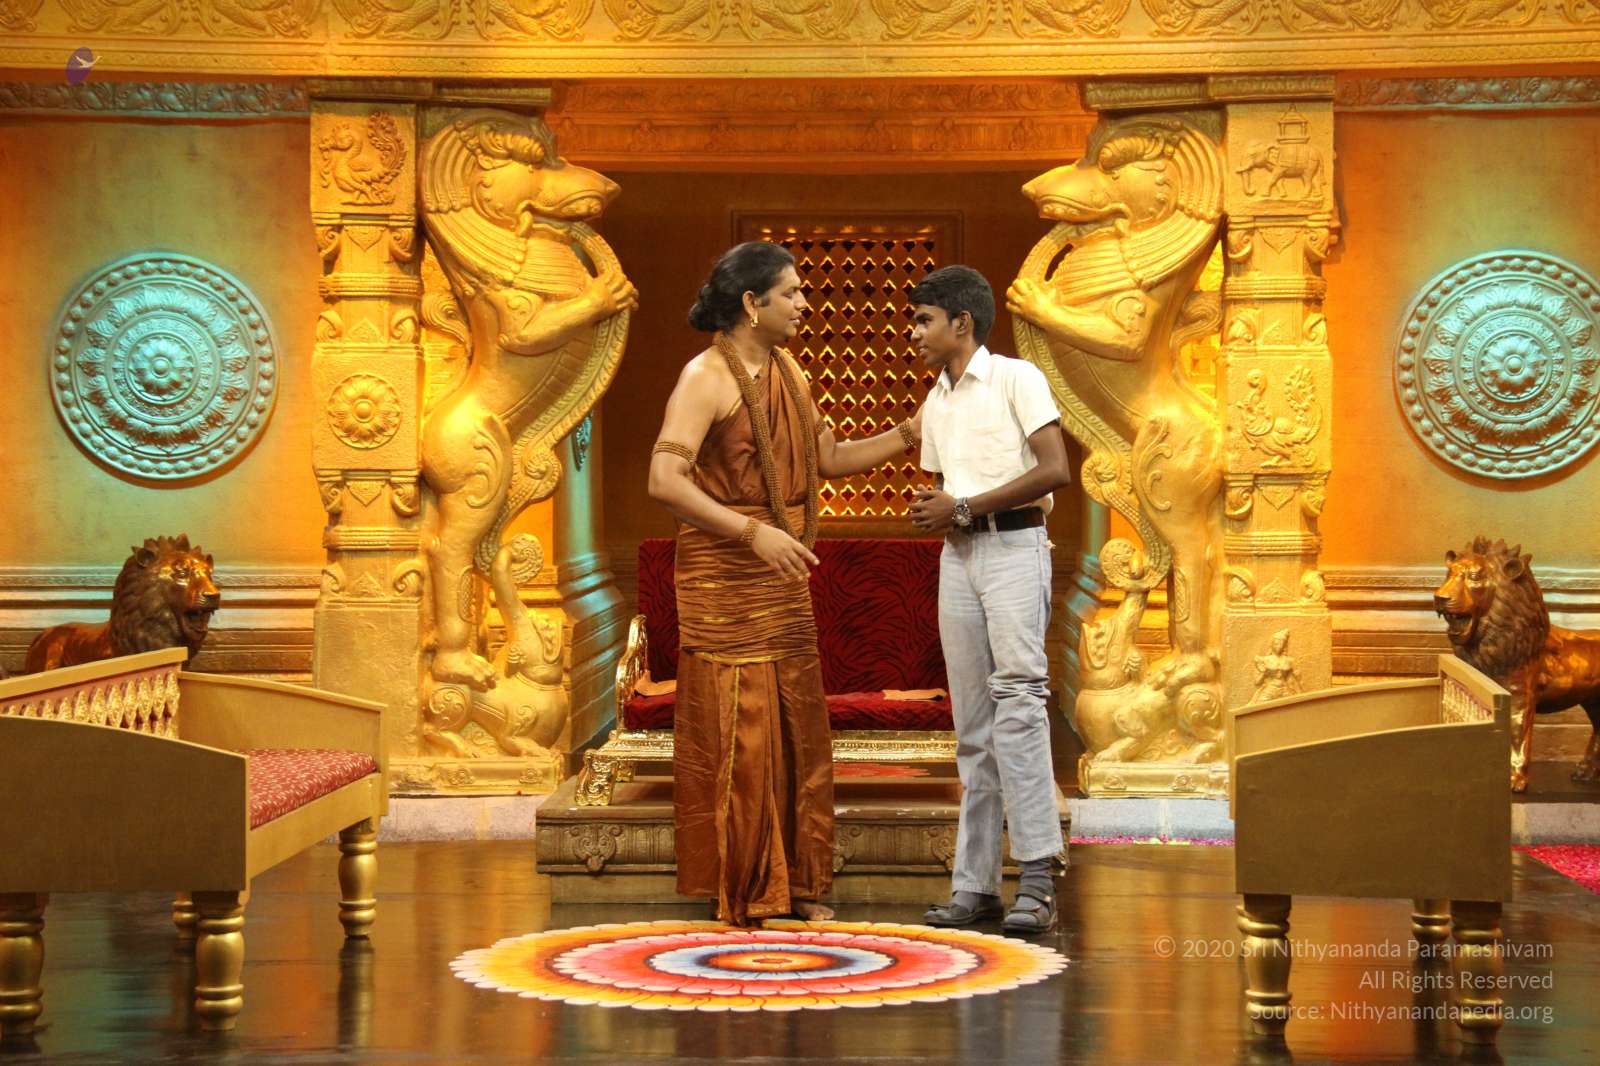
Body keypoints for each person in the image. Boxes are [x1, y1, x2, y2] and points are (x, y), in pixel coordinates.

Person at [648, 241, 923, 927]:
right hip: (727, 575)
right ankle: (749, 889)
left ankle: (794, 881)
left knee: (795, 727)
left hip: (781, 572)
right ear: (752, 303)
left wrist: (908, 433)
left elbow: (827, 457)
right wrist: (752, 534)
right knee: (745, 734)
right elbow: (664, 480)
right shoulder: (704, 376)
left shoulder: (789, 369)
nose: (805, 303)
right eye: (792, 292)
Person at [907, 265, 1072, 935]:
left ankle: (1037, 874)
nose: (914, 333)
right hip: (961, 556)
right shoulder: (937, 399)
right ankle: (975, 887)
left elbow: (1055, 469)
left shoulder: (1015, 377)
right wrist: (942, 510)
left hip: (1014, 548)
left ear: (962, 322)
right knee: (973, 728)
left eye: (924, 320)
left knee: (1020, 707)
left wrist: (962, 506)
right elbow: (947, 483)